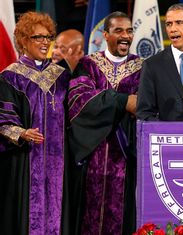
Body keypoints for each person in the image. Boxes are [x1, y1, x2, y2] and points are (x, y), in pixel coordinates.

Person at [66, 11, 142, 235]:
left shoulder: (143, 68)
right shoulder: (88, 65)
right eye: (118, 30)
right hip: (92, 155)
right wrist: (122, 102)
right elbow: (80, 102)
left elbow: (146, 108)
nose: (125, 36)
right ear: (105, 35)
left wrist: (108, 101)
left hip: (127, 157)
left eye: (129, 30)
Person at [0, 11, 71, 234]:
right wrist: (20, 132)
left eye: (48, 37)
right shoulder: (10, 77)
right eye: (37, 37)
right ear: (23, 41)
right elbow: (3, 117)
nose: (44, 42)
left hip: (59, 160)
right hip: (25, 159)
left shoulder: (61, 75)